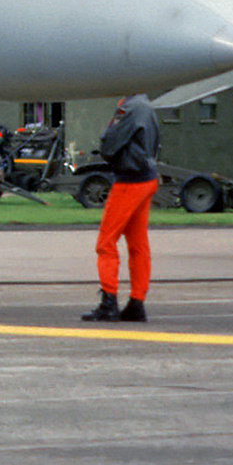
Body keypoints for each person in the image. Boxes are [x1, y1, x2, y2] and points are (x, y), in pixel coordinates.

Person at [83, 94, 161, 322]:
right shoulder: (147, 106)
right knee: (138, 243)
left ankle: (109, 301)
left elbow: (109, 144)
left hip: (130, 181)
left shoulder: (129, 108)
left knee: (106, 243)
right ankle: (137, 301)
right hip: (148, 178)